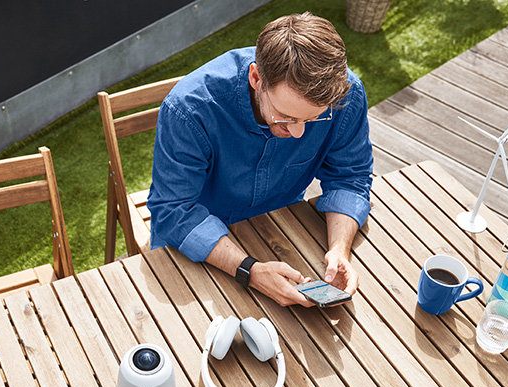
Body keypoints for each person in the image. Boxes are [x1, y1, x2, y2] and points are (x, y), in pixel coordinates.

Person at [147, 12, 374, 307]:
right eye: (286, 116)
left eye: (314, 118)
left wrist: (339, 249)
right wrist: (248, 270)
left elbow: (350, 176)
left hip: (279, 226)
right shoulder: (189, 109)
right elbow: (173, 211)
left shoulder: (347, 95)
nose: (298, 131)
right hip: (196, 243)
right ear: (257, 78)